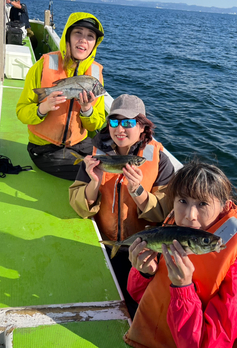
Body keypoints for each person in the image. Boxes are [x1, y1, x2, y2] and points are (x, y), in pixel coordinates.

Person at [124, 160, 237, 348]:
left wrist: (183, 288)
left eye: (202, 204)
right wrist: (145, 274)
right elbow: (141, 299)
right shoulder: (172, 237)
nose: (190, 215)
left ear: (224, 207)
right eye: (183, 201)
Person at [69, 94, 175, 317]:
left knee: (137, 309)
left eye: (128, 122)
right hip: (103, 246)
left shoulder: (160, 162)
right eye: (114, 122)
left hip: (143, 252)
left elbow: (165, 212)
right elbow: (78, 205)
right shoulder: (96, 156)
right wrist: (94, 183)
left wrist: (138, 190)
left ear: (143, 127)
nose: (120, 129)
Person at [16, 12, 106, 180]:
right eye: (78, 32)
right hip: (45, 149)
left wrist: (87, 110)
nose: (83, 40)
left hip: (79, 144)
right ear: (68, 36)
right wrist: (42, 108)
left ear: (95, 43)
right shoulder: (42, 66)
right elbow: (21, 111)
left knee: (111, 162)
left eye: (90, 36)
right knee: (95, 172)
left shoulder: (95, 75)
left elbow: (97, 124)